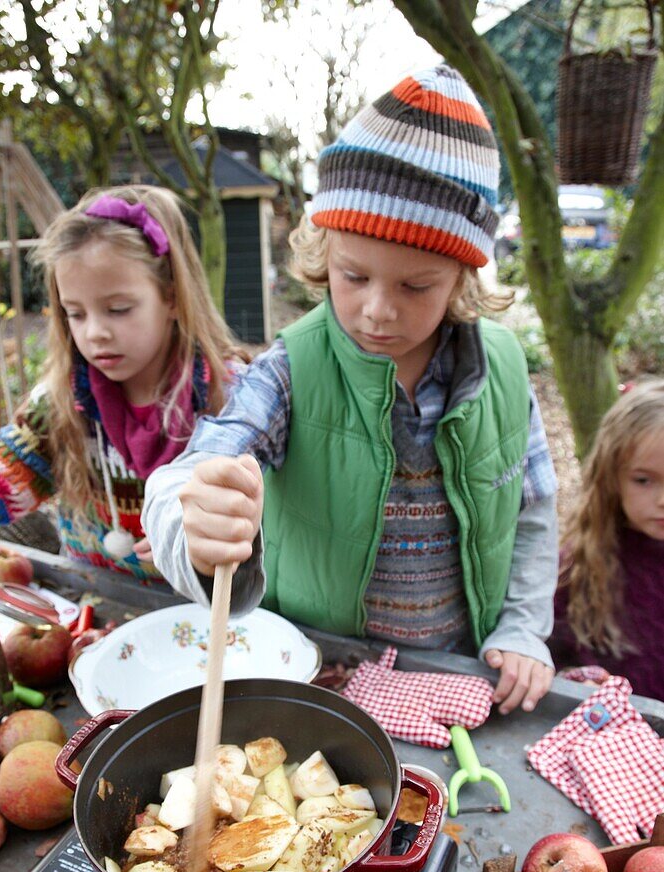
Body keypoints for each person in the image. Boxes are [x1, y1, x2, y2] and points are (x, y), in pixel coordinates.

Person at [143, 65, 559, 714]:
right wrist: (187, 517)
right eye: (353, 275)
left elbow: (532, 513)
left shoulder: (502, 370)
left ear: (462, 277)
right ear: (323, 253)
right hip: (319, 677)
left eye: (414, 286)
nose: (376, 312)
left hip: (455, 668)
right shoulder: (290, 371)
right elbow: (201, 463)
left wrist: (523, 629)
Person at [0, 184, 244, 585]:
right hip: (95, 608)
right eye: (75, 313)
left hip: (203, 620)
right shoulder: (62, 402)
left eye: (118, 309)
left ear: (173, 298)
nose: (95, 333)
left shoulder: (231, 400)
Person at [550, 380, 664, 702]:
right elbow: (548, 657)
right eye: (643, 480)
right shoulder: (580, 563)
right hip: (608, 738)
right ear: (612, 477)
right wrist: (574, 682)